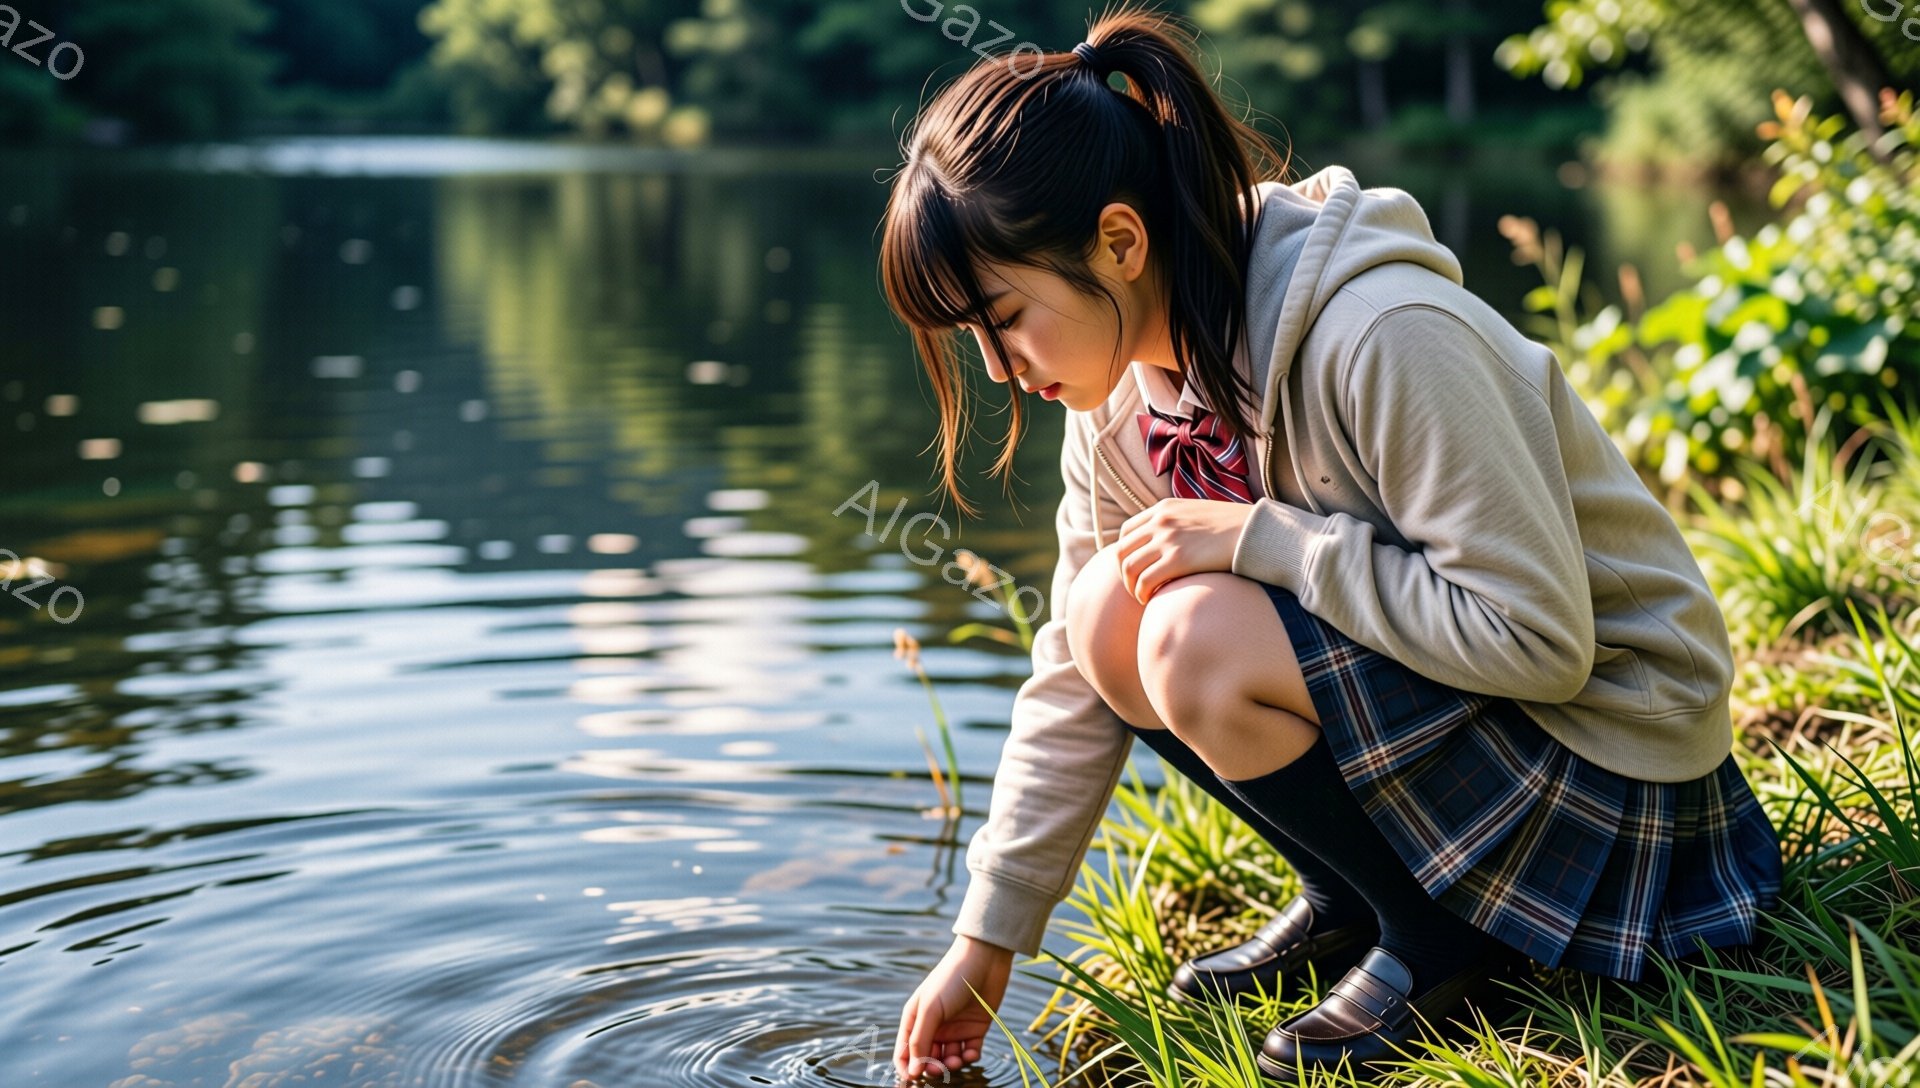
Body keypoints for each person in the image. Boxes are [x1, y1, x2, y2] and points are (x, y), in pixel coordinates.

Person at [875, 3, 1785, 1082]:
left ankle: (1453, 941)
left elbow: (1543, 641)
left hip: (1619, 767)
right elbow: (1077, 670)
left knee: (1190, 630)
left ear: (1119, 242)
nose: (995, 366)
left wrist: (1267, 540)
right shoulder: (1118, 396)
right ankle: (1360, 900)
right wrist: (986, 944)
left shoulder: (1384, 334)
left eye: (1002, 317)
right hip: (1488, 735)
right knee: (1105, 613)